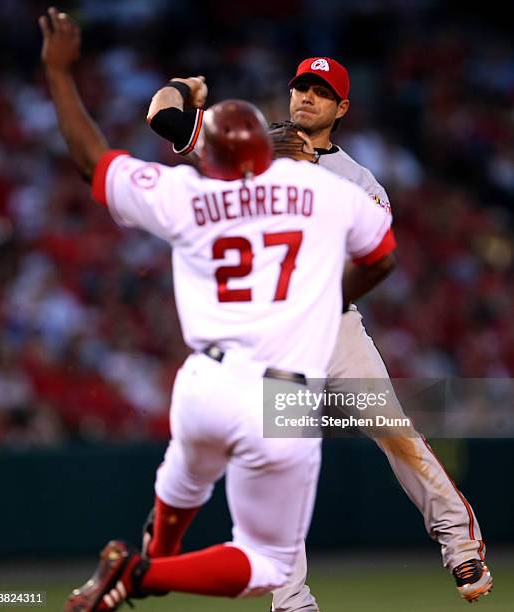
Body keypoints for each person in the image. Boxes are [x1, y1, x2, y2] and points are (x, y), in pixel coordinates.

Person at [39, 9, 397, 611]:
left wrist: (57, 71)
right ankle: (140, 575)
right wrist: (321, 301)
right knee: (267, 563)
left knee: (182, 479)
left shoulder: (190, 194)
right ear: (270, 147)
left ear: (213, 157)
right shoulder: (323, 192)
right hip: (276, 389)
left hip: (203, 382)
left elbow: (89, 157)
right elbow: (383, 257)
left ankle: (157, 540)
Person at [145, 58, 493, 607]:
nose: (307, 96)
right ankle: (291, 600)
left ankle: (459, 543)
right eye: (301, 86)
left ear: (341, 108)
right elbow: (164, 119)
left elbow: (374, 257)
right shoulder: (244, 143)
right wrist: (182, 88)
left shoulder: (358, 180)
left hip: (334, 326)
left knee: (395, 431)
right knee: (279, 462)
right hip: (274, 340)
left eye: (321, 91)